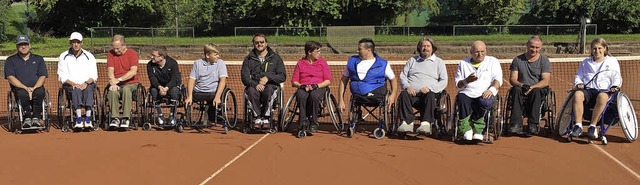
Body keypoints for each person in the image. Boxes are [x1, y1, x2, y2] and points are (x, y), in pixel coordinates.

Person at [570, 38, 622, 140]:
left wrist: (615, 86)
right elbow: (578, 76)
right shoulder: (586, 62)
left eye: (599, 48)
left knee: (602, 97)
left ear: (605, 49)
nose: (597, 51)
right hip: (588, 90)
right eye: (594, 48)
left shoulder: (612, 61)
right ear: (591, 50)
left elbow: (617, 76)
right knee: (577, 94)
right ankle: (578, 126)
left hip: (605, 90)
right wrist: (579, 83)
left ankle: (592, 127)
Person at [338, 38, 398, 121]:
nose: (357, 51)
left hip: (376, 95)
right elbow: (343, 80)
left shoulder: (383, 64)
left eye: (360, 49)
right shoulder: (352, 61)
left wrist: (393, 95)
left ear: (368, 50)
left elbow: (393, 79)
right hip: (357, 95)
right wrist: (341, 99)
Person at [396, 36, 448, 134]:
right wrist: (407, 87)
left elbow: (444, 81)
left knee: (430, 94)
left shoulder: (439, 62)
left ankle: (425, 124)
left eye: (428, 46)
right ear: (419, 48)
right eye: (423, 46)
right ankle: (407, 123)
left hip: (429, 96)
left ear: (433, 48)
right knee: (403, 94)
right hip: (412, 94)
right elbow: (403, 76)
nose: (425, 48)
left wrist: (430, 88)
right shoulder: (412, 60)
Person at [454, 41, 502, 141]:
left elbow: (497, 79)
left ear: (486, 51)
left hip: (485, 92)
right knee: (461, 98)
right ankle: (466, 129)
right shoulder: (463, 63)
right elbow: (458, 85)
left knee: (484, 101)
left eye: (482, 51)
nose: (480, 54)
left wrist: (491, 90)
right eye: (476, 52)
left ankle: (478, 129)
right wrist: (467, 80)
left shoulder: (493, 61)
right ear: (471, 52)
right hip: (467, 92)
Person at [507, 35, 551, 135]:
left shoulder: (544, 61)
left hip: (537, 90)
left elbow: (545, 81)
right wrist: (522, 85)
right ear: (527, 45)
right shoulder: (517, 60)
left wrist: (532, 87)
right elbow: (513, 79)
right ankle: (515, 124)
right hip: (522, 89)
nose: (534, 49)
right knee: (516, 89)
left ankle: (533, 124)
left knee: (537, 91)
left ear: (540, 48)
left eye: (537, 47)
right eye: (532, 47)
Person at [241, 33, 286, 129]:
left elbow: (282, 76)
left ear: (266, 43)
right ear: (253, 43)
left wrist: (268, 78)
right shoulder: (248, 59)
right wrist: (255, 84)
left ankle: (266, 117)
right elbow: (245, 78)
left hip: (270, 86)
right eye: (257, 42)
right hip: (254, 86)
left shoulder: (276, 58)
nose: (259, 44)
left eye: (262, 42)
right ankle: (257, 117)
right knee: (251, 91)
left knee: (269, 90)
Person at [4, 35, 48, 128]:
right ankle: (27, 118)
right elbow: (10, 77)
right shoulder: (10, 60)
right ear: (17, 46)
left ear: (29, 45)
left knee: (40, 92)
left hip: (36, 87)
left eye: (25, 44)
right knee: (22, 93)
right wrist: (26, 88)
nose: (23, 47)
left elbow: (42, 76)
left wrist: (33, 88)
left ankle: (36, 117)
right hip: (19, 88)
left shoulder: (39, 59)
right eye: (20, 45)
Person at [57, 32, 99, 129]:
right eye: (73, 42)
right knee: (75, 90)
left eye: (78, 42)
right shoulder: (63, 56)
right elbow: (62, 76)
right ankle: (79, 119)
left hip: (87, 83)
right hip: (71, 85)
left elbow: (94, 75)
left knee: (89, 90)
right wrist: (73, 84)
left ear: (82, 43)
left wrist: (86, 83)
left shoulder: (89, 56)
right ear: (70, 43)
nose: (76, 44)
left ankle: (88, 118)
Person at [291, 41, 332, 132]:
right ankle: (302, 122)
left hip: (319, 87)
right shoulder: (300, 63)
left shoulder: (322, 63)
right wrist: (301, 86)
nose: (319, 54)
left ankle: (313, 122)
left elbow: (328, 80)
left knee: (314, 96)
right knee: (301, 96)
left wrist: (316, 86)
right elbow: (294, 81)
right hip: (304, 87)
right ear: (309, 52)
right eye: (317, 51)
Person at [185, 43, 228, 124]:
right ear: (208, 55)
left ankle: (213, 115)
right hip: (198, 92)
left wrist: (217, 97)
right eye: (215, 54)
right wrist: (189, 96)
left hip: (214, 93)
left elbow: (223, 80)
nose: (218, 56)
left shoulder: (220, 63)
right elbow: (191, 80)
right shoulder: (197, 63)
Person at [107, 34, 139, 128]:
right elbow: (110, 70)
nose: (115, 50)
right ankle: (115, 118)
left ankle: (126, 118)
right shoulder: (110, 54)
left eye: (118, 48)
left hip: (131, 84)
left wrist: (119, 80)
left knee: (126, 89)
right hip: (116, 83)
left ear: (124, 45)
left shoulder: (132, 54)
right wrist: (112, 82)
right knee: (112, 91)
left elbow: (133, 71)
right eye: (114, 48)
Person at [147, 46, 181, 125]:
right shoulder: (150, 65)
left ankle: (172, 115)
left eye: (154, 56)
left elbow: (174, 79)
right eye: (151, 55)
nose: (152, 57)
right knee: (153, 91)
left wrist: (166, 88)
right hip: (158, 86)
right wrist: (159, 87)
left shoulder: (173, 63)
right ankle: (160, 115)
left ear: (161, 57)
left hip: (171, 86)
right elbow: (152, 79)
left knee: (174, 91)